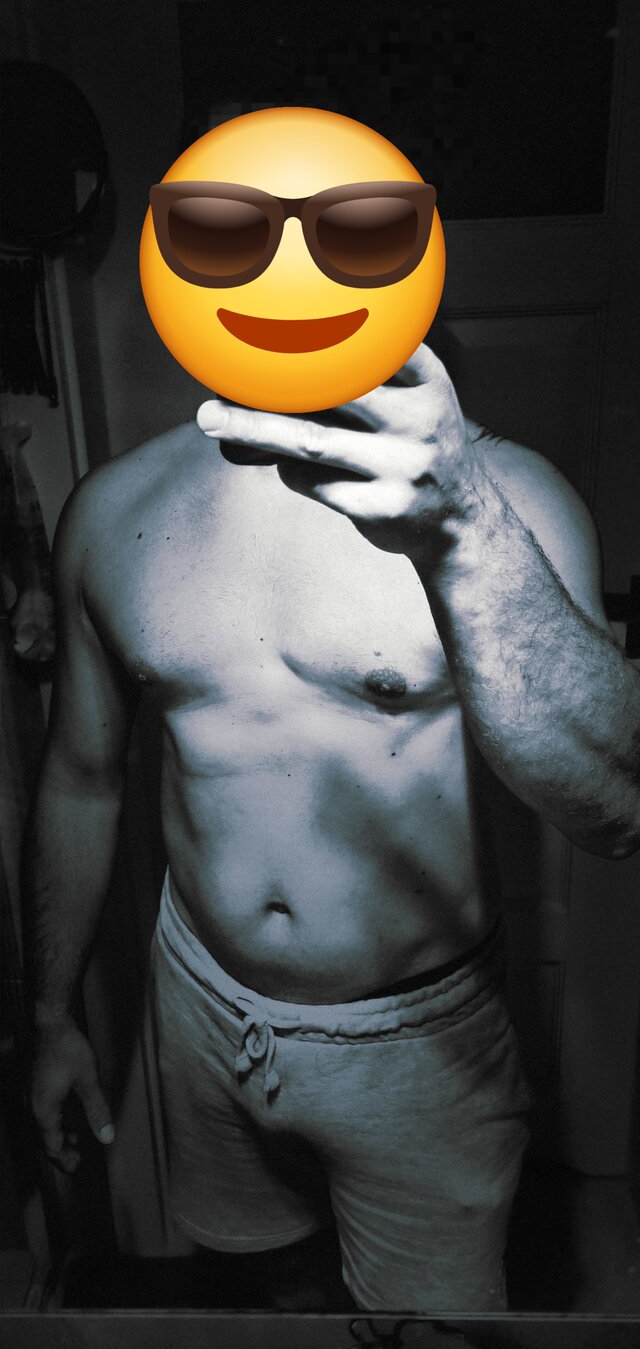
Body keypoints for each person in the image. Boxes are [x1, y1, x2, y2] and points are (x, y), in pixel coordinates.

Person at [22, 343, 640, 1312]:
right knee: (268, 1294)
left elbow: (617, 808)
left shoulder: (511, 497)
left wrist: (467, 527)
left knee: (427, 1328)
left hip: (417, 1036)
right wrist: (51, 1014)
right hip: (204, 1003)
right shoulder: (114, 507)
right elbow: (80, 780)